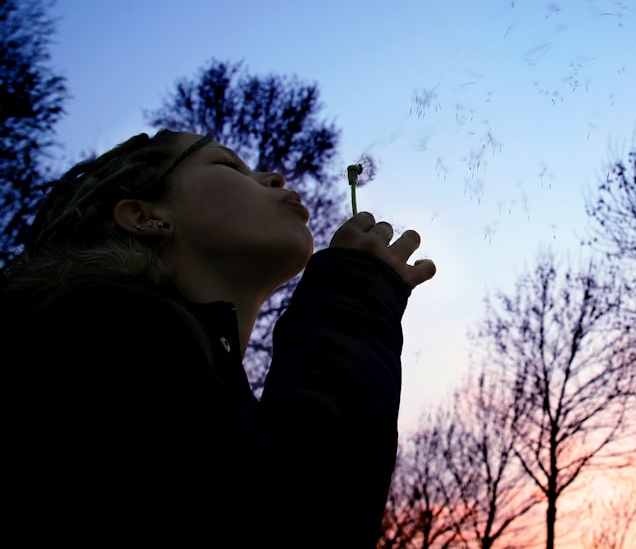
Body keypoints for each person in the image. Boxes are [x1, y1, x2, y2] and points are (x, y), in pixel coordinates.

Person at [0, 129, 436, 545]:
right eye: (228, 165)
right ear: (145, 216)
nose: (275, 177)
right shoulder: (92, 331)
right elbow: (286, 523)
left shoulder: (176, 359)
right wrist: (353, 295)